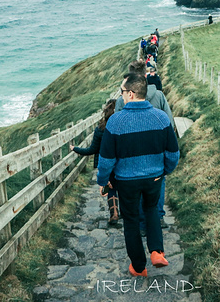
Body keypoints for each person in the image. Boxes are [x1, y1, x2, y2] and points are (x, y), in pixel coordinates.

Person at [97, 73, 179, 277]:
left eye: (123, 92)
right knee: (151, 211)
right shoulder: (161, 118)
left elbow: (106, 160)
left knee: (131, 220)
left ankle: (139, 267)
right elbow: (173, 153)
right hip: (154, 178)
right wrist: (164, 171)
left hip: (126, 181)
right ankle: (157, 252)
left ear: (131, 94)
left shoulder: (115, 121)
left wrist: (103, 181)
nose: (121, 96)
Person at [115, 59, 174, 232]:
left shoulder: (121, 101)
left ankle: (141, 225)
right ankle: (159, 217)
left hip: (131, 154)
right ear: (145, 75)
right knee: (157, 184)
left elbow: (116, 130)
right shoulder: (159, 96)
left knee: (136, 187)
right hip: (157, 150)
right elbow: (169, 122)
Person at [69, 99, 119, 224]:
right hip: (120, 162)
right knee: (122, 187)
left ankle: (114, 213)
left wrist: (76, 149)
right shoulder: (122, 127)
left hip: (105, 163)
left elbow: (92, 149)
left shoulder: (100, 129)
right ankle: (126, 212)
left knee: (110, 188)